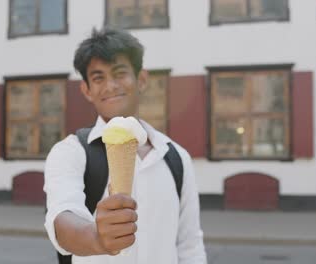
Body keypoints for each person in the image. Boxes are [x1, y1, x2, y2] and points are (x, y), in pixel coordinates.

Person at [44, 27, 207, 264]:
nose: (110, 86)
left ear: (141, 79)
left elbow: (189, 244)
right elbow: (62, 219)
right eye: (98, 78)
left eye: (120, 73)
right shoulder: (70, 152)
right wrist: (96, 238)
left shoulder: (177, 158)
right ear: (87, 90)